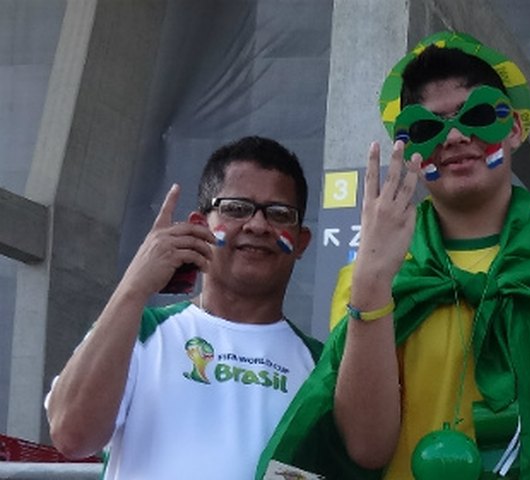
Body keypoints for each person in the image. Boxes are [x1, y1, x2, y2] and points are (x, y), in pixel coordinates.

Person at [256, 32, 530, 479]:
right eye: (427, 127)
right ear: (410, 150)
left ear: (513, 128)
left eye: (477, 115)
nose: (455, 136)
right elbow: (366, 447)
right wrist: (374, 283)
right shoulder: (369, 278)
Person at [45, 135, 322, 479]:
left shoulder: (322, 367)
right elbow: (71, 435)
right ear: (199, 226)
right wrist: (134, 287)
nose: (257, 225)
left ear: (301, 242)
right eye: (236, 208)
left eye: (280, 213)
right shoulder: (141, 331)